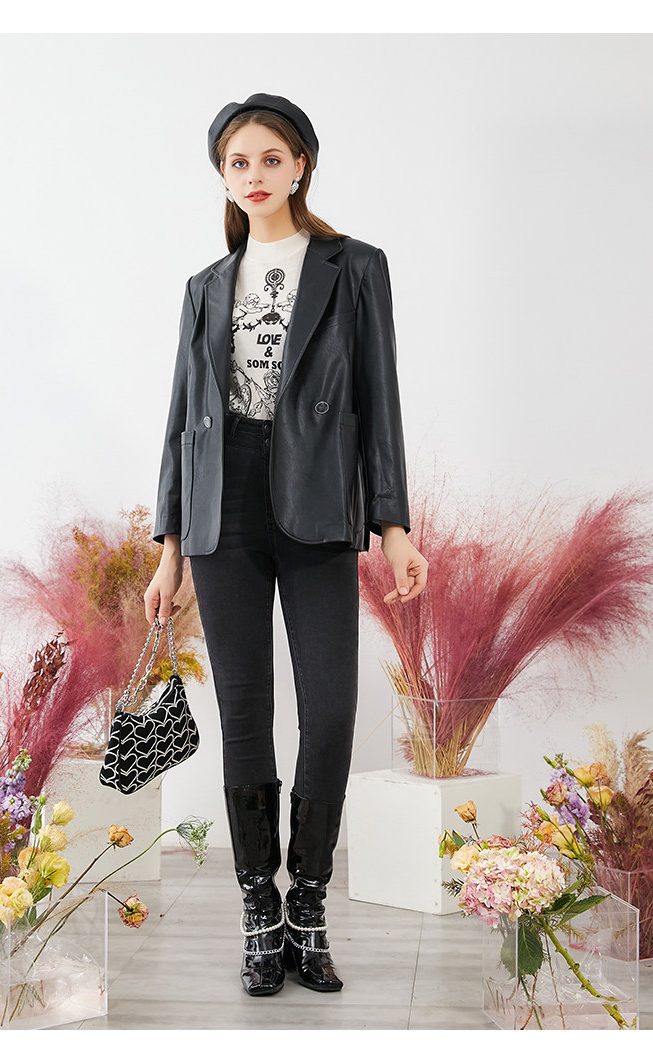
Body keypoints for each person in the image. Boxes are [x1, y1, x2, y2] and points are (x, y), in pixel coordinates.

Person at [145, 93, 428, 997]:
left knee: (331, 711)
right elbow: (180, 421)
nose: (255, 175)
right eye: (239, 163)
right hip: (221, 504)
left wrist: (394, 526)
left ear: (302, 164)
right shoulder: (204, 286)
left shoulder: (354, 267)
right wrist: (168, 548)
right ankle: (258, 911)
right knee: (244, 713)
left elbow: (379, 400)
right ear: (223, 176)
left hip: (316, 498)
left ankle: (308, 898)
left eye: (271, 158)